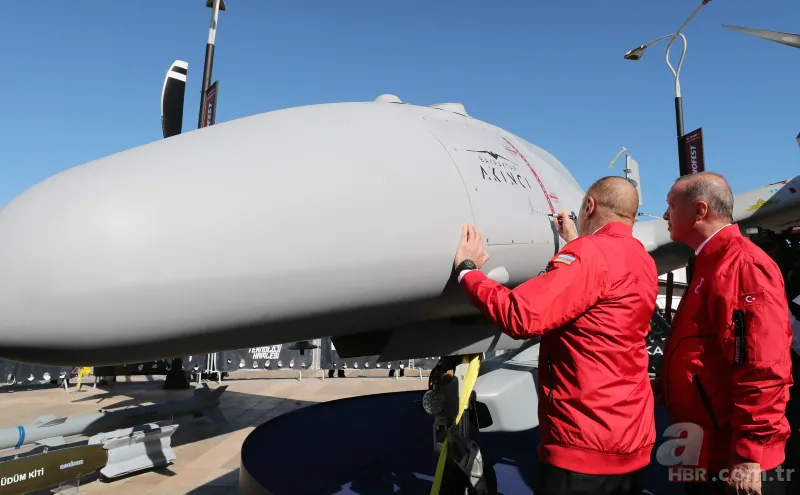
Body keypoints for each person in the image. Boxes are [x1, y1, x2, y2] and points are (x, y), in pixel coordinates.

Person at [453, 176, 658, 495]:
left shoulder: (588, 255)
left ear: (589, 206)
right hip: (632, 442)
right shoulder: (641, 259)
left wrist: (468, 272)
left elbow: (521, 316)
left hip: (583, 447)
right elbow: (600, 289)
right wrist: (575, 241)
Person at [659, 171, 793, 495]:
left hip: (731, 458)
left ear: (700, 211)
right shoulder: (711, 262)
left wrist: (750, 455)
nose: (664, 215)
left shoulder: (740, 266)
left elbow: (761, 365)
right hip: (707, 447)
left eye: (670, 205)